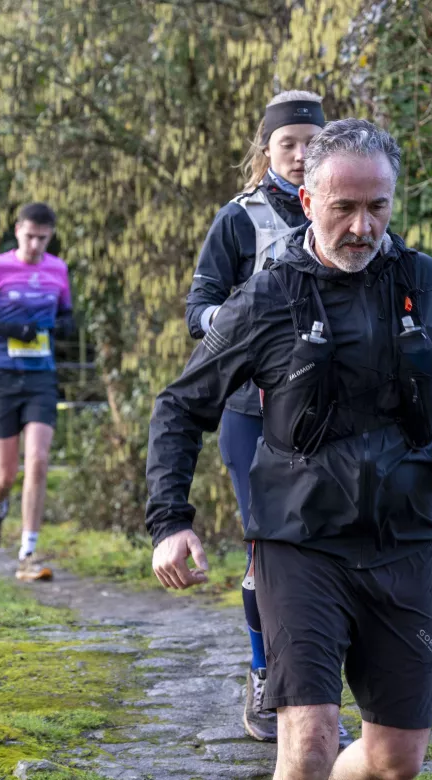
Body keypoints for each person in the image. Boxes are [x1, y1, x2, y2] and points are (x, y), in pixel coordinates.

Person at [146, 119, 432, 780]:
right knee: (309, 742)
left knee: (396, 761)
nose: (362, 227)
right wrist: (170, 521)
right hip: (299, 542)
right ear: (309, 201)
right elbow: (181, 405)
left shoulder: (427, 284)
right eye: (344, 208)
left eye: (378, 207)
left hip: (403, 541)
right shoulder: (267, 298)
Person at [185, 90, 336, 744]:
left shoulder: (347, 210)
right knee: (268, 551)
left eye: (312, 144)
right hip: (252, 413)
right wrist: (249, 327)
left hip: (329, 413)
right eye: (288, 144)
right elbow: (197, 309)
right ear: (266, 149)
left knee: (327, 552)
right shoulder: (239, 220)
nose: (301, 155)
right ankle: (264, 679)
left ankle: (317, 690)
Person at [0, 202, 75, 582]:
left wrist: (62, 326)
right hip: (1, 377)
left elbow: (67, 314)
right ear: (18, 230)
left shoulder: (58, 270)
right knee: (5, 473)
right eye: (29, 236)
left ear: (50, 236)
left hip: (41, 378)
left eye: (43, 238)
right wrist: (7, 329)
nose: (35, 245)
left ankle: (28, 552)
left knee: (37, 461)